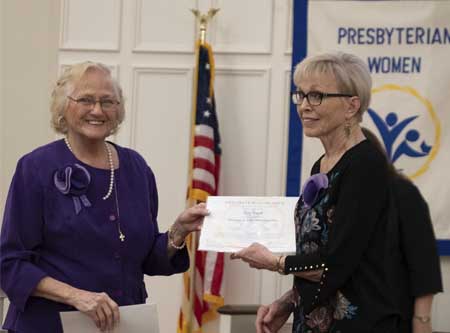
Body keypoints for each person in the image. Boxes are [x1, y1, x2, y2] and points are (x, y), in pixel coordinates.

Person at [0, 62, 208, 332]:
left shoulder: (136, 168)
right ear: (64, 106)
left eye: (107, 101)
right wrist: (77, 296)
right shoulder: (36, 168)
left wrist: (177, 233)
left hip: (124, 325)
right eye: (86, 100)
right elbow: (10, 263)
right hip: (48, 325)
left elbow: (143, 259)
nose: (97, 110)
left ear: (118, 109)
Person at [231, 52, 403, 332]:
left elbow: (337, 263)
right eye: (301, 95)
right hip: (314, 318)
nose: (304, 107)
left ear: (351, 106)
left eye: (317, 96)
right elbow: (321, 250)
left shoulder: (365, 165)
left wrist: (274, 262)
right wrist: (289, 302)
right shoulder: (322, 165)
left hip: (358, 323)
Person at [361, 127, 443, 333]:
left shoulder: (402, 193)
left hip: (393, 319)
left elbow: (424, 265)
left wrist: (422, 321)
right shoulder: (338, 198)